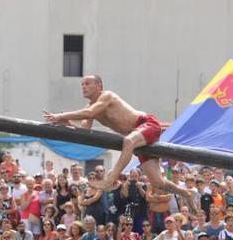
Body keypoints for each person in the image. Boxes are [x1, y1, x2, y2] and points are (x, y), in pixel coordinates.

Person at [43, 75, 191, 199]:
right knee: (158, 183)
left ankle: (111, 178)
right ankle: (187, 194)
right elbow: (84, 130)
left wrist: (61, 115)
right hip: (136, 138)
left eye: (87, 83)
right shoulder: (89, 107)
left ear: (99, 85)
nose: (83, 87)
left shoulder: (107, 96)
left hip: (146, 124)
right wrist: (65, 123)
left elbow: (89, 113)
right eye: (82, 84)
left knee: (128, 141)